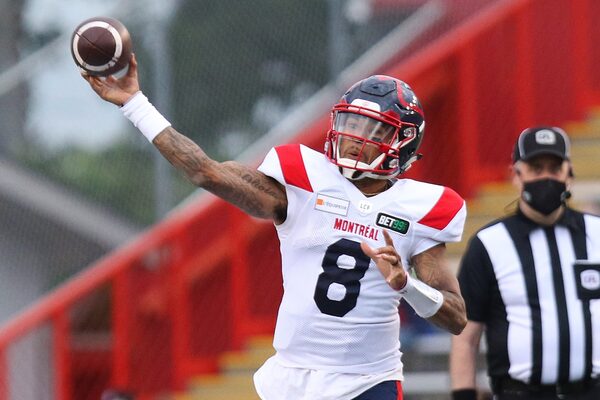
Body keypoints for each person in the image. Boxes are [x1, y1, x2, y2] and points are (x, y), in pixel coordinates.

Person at [83, 55, 468, 400]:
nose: (355, 139)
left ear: (403, 141)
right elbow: (205, 172)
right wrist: (135, 103)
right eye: (351, 124)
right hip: (290, 381)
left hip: (366, 383)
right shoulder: (302, 180)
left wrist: (406, 285)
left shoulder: (420, 207)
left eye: (373, 130)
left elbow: (455, 316)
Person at [449, 126, 600, 400]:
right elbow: (466, 335)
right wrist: (464, 394)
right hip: (520, 393)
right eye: (536, 168)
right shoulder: (490, 243)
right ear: (516, 175)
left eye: (554, 168)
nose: (546, 177)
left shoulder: (596, 233)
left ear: (569, 173)